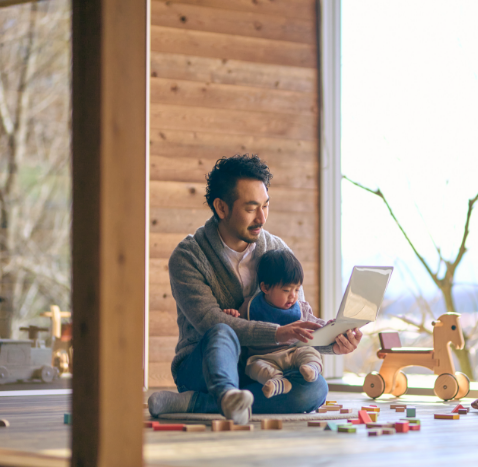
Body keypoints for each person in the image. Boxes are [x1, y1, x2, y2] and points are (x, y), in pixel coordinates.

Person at [148, 154, 362, 424]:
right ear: (222, 208)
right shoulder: (189, 256)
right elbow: (209, 321)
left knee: (315, 388)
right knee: (221, 331)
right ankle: (223, 394)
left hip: (264, 366)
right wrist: (277, 333)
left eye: (266, 206)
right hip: (204, 368)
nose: (261, 218)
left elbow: (294, 319)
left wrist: (332, 342)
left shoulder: (277, 250)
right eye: (251, 208)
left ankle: (195, 404)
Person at [224, 249, 326, 399]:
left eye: (297, 289)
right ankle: (278, 382)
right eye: (286, 290)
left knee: (309, 352)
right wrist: (231, 315)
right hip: (263, 358)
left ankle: (311, 368)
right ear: (265, 288)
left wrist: (330, 327)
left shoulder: (301, 308)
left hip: (293, 353)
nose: (293, 296)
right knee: (253, 367)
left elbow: (316, 325)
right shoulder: (250, 306)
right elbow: (239, 329)